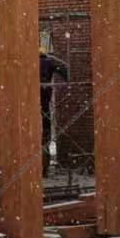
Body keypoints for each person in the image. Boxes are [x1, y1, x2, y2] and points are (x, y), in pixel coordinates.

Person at [39, 44, 70, 173]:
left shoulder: (30, 62)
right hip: (45, 94)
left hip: (33, 94)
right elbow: (62, 69)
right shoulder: (48, 62)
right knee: (45, 125)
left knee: (38, 125)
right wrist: (68, 79)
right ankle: (44, 167)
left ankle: (41, 167)